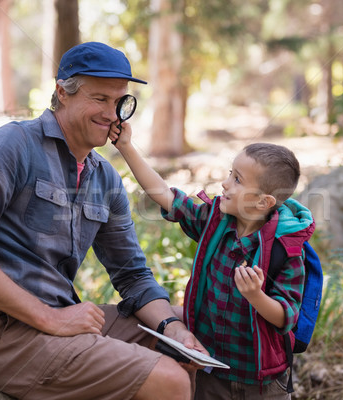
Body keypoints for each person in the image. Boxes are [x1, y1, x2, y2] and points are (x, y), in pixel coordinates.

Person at [0, 41, 207, 400]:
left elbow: (133, 275)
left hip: (58, 322)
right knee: (170, 379)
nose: (113, 114)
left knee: (193, 328)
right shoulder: (13, 144)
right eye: (100, 99)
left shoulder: (104, 177)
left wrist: (172, 328)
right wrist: (50, 319)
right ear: (63, 92)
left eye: (119, 102)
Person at [111, 124, 315, 399]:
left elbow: (286, 316)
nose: (225, 183)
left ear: (264, 202)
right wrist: (126, 146)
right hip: (211, 372)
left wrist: (255, 295)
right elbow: (165, 196)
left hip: (263, 383)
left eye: (238, 180)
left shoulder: (285, 250)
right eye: (231, 174)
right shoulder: (214, 222)